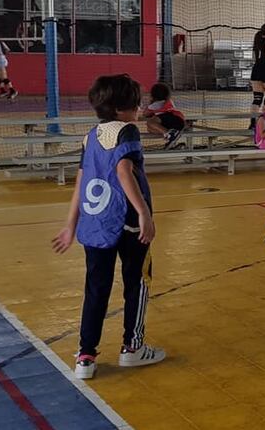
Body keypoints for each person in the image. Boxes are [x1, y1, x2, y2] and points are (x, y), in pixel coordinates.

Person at [51, 74, 165, 379]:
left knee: (96, 289)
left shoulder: (89, 136)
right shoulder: (128, 132)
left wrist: (70, 226)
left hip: (95, 224)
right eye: (135, 101)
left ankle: (85, 356)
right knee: (137, 283)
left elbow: (80, 182)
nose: (139, 106)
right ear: (120, 108)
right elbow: (124, 169)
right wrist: (144, 213)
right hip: (127, 222)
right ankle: (132, 347)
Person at [143, 82, 185, 149]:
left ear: (153, 95)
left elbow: (145, 114)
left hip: (171, 118)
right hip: (178, 120)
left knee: (150, 123)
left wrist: (150, 102)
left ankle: (167, 133)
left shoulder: (154, 105)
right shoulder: (169, 101)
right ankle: (171, 141)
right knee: (150, 129)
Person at [0, 34, 17, 99]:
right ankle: (3, 91)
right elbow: (7, 50)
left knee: (4, 77)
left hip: (0, 61)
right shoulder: (1, 42)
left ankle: (13, 91)